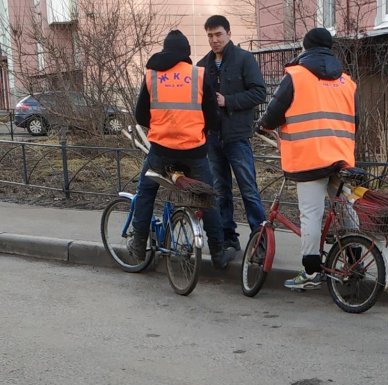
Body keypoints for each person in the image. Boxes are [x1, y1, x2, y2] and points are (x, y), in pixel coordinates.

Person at [256, 27, 359, 290]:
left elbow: (273, 113)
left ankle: (311, 273)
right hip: (341, 156)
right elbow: (355, 120)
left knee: (311, 214)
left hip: (309, 159)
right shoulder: (346, 81)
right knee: (346, 208)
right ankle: (355, 259)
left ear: (305, 47)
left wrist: (263, 124)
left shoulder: (297, 76)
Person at [128, 30, 236, 269]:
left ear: (165, 50)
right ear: (186, 53)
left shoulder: (152, 75)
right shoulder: (199, 75)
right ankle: (218, 253)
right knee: (206, 197)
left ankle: (138, 245)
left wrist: (162, 125)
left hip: (161, 149)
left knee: (146, 192)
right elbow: (212, 116)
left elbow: (140, 115)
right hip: (194, 151)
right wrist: (201, 132)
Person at [197, 15, 267, 253]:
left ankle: (259, 240)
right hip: (213, 137)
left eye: (218, 34)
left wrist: (228, 101)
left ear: (228, 33)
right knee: (220, 189)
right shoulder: (202, 65)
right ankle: (228, 237)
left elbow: (259, 93)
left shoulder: (244, 59)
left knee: (248, 188)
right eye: (210, 36)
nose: (214, 40)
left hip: (237, 135)